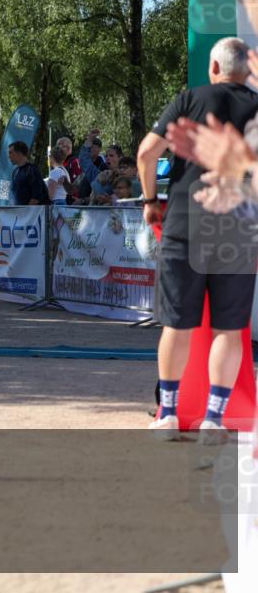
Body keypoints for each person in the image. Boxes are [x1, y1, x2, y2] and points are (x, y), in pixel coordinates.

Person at [137, 36, 258, 443]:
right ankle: (214, 420)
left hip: (185, 223)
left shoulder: (189, 99)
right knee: (229, 329)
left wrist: (152, 200)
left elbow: (145, 153)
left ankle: (168, 415)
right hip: (239, 229)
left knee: (176, 323)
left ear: (214, 67)